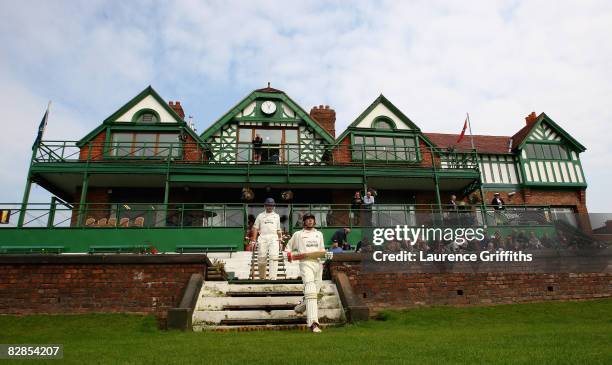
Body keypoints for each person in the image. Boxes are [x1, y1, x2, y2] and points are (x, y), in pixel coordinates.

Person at [286, 213, 327, 333]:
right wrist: (289, 255)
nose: (310, 221)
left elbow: (322, 249)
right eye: (307, 220)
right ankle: (313, 323)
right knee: (310, 290)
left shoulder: (319, 234)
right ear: (304, 222)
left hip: (318, 264)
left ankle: (299, 308)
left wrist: (324, 257)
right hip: (305, 263)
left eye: (312, 220)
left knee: (318, 294)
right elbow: (288, 248)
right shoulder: (298, 234)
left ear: (314, 222)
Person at [251, 198, 282, 280]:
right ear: (265, 206)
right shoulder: (260, 216)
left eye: (271, 205)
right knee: (261, 258)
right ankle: (262, 277)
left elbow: (278, 230)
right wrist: (253, 240)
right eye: (268, 205)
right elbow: (255, 228)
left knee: (274, 257)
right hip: (263, 237)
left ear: (274, 206)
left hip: (274, 238)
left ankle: (273, 278)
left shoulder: (276, 216)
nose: (270, 207)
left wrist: (280, 240)